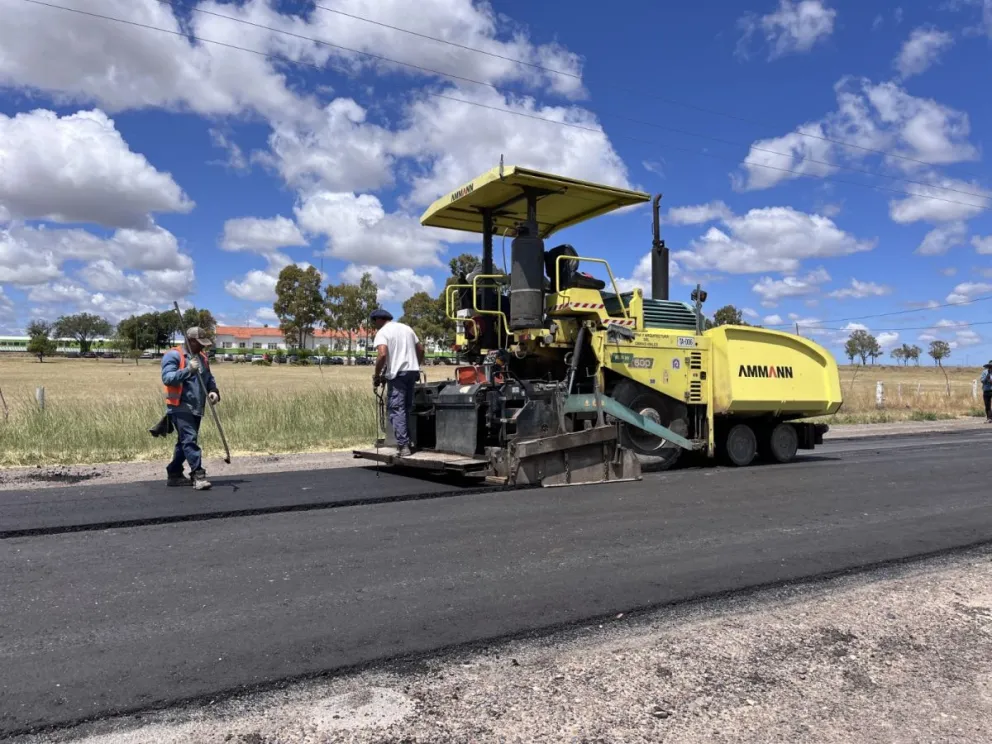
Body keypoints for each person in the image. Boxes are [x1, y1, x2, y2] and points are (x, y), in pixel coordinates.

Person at [161, 327, 221, 489]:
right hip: (180, 406)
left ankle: (174, 473)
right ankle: (198, 475)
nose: (202, 346)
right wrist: (188, 370)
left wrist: (213, 391)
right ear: (190, 341)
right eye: (199, 343)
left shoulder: (202, 357)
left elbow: (209, 378)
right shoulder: (174, 355)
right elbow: (167, 378)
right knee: (190, 439)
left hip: (197, 407)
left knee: (184, 443)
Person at [370, 308, 424, 457]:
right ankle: (409, 440)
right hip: (412, 372)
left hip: (397, 375)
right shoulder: (407, 329)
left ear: (378, 320)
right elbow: (421, 350)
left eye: (374, 322)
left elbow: (382, 354)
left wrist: (377, 375)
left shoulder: (383, 332)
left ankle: (403, 446)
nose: (375, 325)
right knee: (406, 408)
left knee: (397, 408)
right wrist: (416, 366)